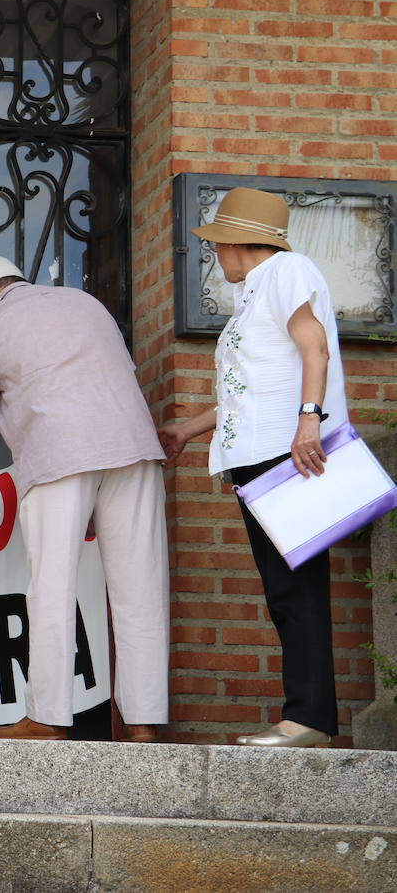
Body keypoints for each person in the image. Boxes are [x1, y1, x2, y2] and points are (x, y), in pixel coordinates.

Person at [0, 256, 169, 742]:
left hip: (60, 453)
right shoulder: (86, 304)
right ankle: (143, 721)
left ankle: (45, 718)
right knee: (140, 589)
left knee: (51, 587)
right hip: (134, 446)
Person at [157, 187, 346, 748]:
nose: (216, 255)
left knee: (296, 589)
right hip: (262, 456)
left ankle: (308, 718)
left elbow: (315, 348)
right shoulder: (257, 291)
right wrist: (189, 430)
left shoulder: (287, 269)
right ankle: (306, 716)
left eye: (219, 244)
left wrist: (309, 420)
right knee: (283, 589)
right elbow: (254, 385)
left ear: (244, 242)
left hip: (286, 456)